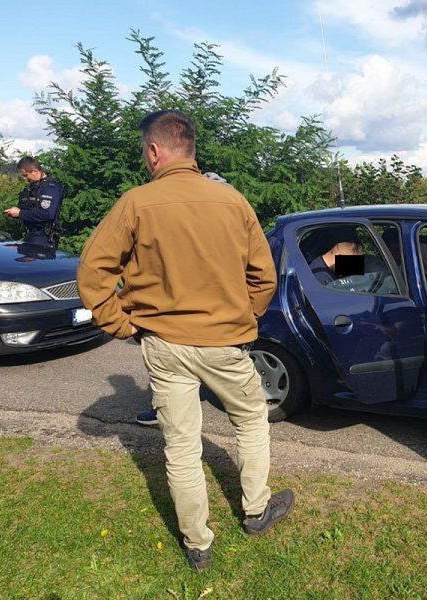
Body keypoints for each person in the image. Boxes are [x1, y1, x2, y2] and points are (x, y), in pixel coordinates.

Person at [77, 109, 293, 572]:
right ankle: (256, 510)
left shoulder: (136, 202)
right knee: (252, 420)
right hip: (224, 342)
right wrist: (246, 314)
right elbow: (264, 275)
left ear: (155, 151)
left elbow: (93, 271)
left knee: (180, 445)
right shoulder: (233, 201)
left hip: (163, 343)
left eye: (144, 152)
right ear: (191, 148)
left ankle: (198, 545)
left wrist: (121, 324)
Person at [134, 170, 238, 428]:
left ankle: (175, 409)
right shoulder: (184, 216)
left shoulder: (228, 214)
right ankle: (165, 410)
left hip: (216, 311)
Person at [4, 156, 63, 248]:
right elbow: (31, 209)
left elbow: (46, 214)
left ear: (35, 171)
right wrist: (15, 213)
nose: (24, 178)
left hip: (43, 238)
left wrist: (20, 213)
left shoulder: (50, 188)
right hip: (32, 235)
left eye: (25, 175)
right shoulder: (34, 187)